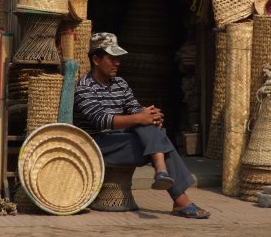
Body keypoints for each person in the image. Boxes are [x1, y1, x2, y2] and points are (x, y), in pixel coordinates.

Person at [74, 32, 211, 219]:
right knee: (158, 139)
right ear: (96, 60)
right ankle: (173, 189)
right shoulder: (84, 87)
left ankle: (166, 179)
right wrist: (141, 118)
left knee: (148, 123)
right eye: (112, 58)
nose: (117, 63)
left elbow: (134, 107)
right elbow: (102, 120)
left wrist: (151, 116)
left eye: (118, 58)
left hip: (122, 141)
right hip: (97, 145)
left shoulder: (120, 84)